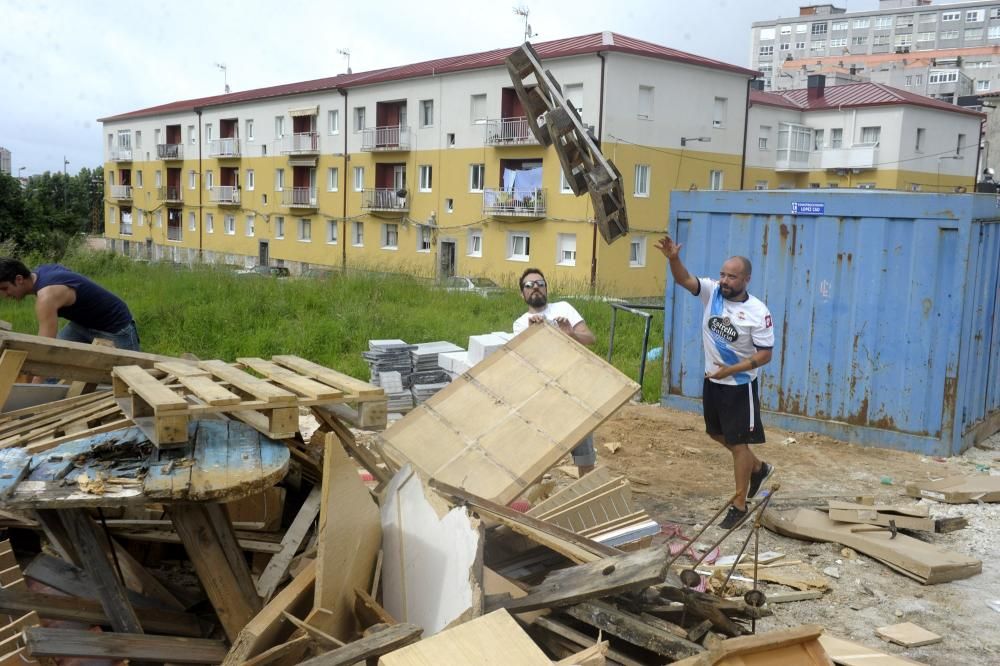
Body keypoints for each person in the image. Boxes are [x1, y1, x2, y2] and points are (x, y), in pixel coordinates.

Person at [655, 236, 775, 529]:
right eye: (722, 274)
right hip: (714, 381)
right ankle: (757, 468)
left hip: (739, 386)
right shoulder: (712, 293)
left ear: (746, 279)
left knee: (737, 445)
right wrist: (673, 258)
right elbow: (684, 279)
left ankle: (739, 504)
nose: (724, 280)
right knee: (715, 433)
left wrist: (733, 369)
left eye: (732, 277)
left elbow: (766, 355)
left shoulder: (759, 312)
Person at [513, 267, 598, 477]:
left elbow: (590, 339)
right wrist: (533, 334)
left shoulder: (564, 308)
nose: (536, 288)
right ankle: (536, 500)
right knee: (538, 454)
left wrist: (570, 335)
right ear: (522, 293)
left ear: (546, 288)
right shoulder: (520, 324)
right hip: (542, 393)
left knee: (584, 453)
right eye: (529, 285)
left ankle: (587, 495)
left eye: (540, 284)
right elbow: (525, 361)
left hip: (574, 388)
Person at [0, 258, 140, 351]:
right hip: (83, 325)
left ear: (19, 279)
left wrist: (30, 389)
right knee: (57, 367)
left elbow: (45, 346)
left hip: (115, 326)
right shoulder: (42, 272)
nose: (5, 295)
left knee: (128, 376)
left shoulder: (46, 297)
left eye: (5, 288)